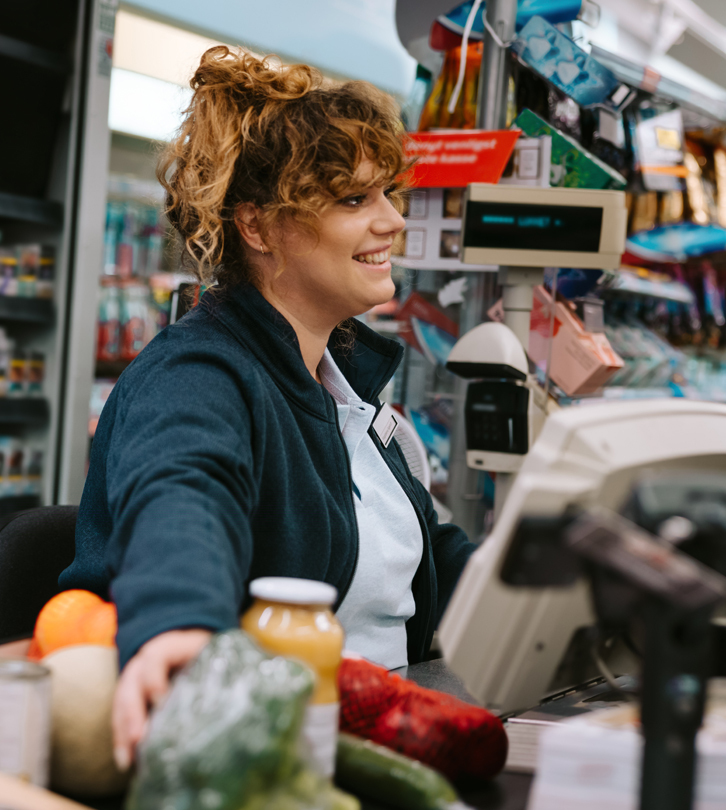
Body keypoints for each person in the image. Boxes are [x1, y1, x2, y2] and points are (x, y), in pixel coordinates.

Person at [58, 45, 475, 769]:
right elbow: (182, 494)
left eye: (388, 195)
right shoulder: (198, 374)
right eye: (354, 199)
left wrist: (554, 578)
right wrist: (180, 626)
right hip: (255, 751)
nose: (393, 223)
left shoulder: (350, 392)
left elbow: (430, 560)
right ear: (256, 228)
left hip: (375, 739)